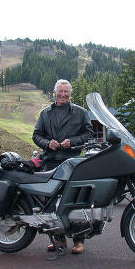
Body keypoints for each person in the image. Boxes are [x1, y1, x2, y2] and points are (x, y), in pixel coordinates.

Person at [32, 79, 93, 254]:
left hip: (73, 162)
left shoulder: (80, 112)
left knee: (77, 200)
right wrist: (46, 143)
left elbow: (88, 133)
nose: (63, 94)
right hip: (50, 161)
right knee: (49, 203)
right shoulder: (45, 113)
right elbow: (36, 135)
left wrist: (72, 142)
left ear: (70, 93)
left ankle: (78, 240)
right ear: (55, 92)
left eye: (66, 91)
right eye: (60, 91)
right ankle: (58, 239)